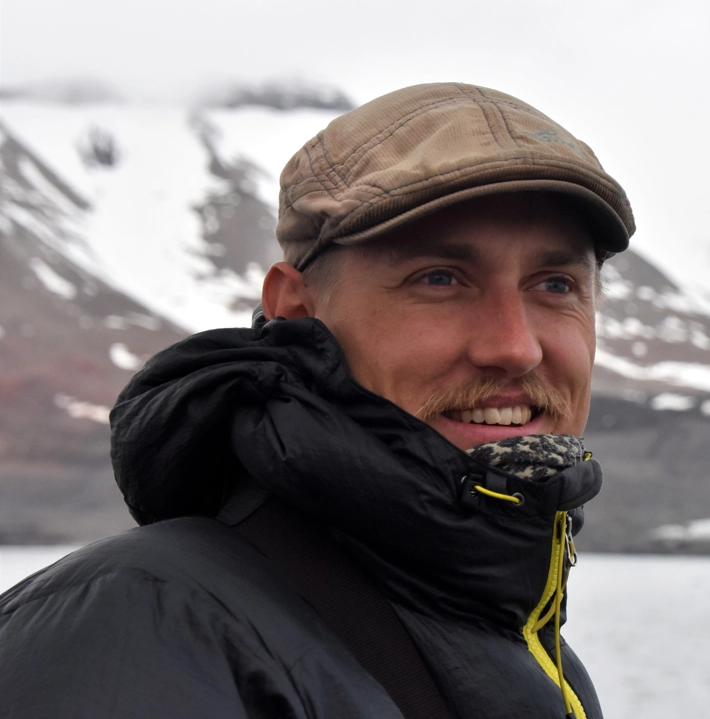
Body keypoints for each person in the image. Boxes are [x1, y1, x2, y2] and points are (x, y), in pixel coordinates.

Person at [0, 82, 635, 719]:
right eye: (439, 278)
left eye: (555, 284)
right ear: (296, 309)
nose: (515, 347)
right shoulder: (143, 624)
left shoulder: (527, 646)